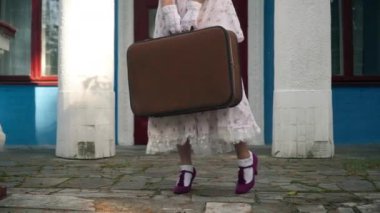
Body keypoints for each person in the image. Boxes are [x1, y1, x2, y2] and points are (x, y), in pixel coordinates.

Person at [147, 0, 261, 194]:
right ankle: (185, 168)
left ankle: (245, 159)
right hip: (174, 5)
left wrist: (194, 7)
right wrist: (168, 8)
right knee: (178, 91)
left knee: (221, 83)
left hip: (210, 7)